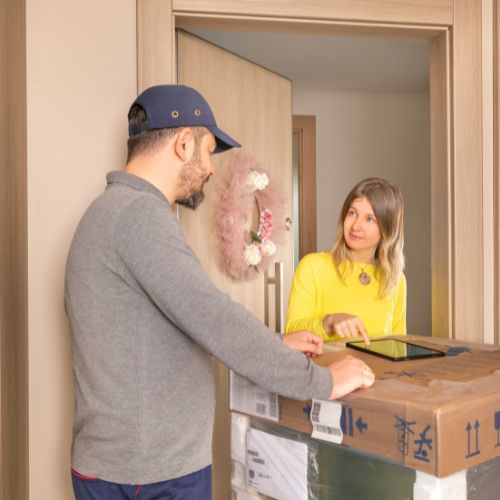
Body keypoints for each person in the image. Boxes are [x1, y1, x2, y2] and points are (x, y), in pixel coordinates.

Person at [64, 84, 375, 500]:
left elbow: (171, 326)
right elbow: (212, 317)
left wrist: (274, 343)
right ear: (183, 142)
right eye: (209, 150)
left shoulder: (110, 212)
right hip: (150, 473)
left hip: (124, 464)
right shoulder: (139, 216)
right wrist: (319, 383)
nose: (210, 168)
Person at [285, 177, 406, 344]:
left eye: (369, 219)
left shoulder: (395, 280)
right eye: (352, 213)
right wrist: (329, 322)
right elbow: (292, 333)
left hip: (376, 371)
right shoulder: (313, 266)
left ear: (387, 229)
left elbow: (398, 345)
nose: (355, 226)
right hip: (324, 370)